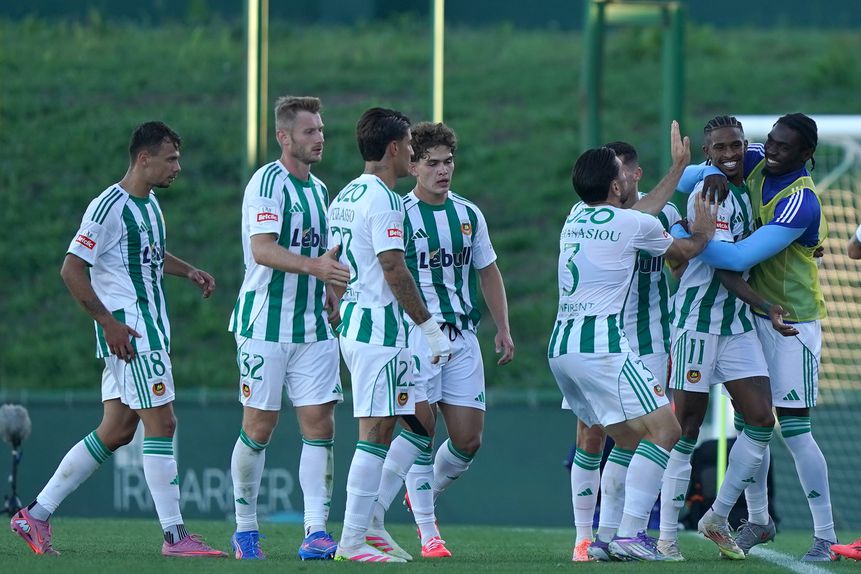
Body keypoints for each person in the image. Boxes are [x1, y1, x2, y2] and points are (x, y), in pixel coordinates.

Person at [10, 121, 225, 558]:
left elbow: (145, 253)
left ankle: (36, 514)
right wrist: (108, 322)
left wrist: (188, 271)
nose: (178, 167)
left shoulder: (150, 206)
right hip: (131, 333)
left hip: (144, 330)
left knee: (117, 430)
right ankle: (174, 537)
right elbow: (72, 268)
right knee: (163, 424)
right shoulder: (108, 205)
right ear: (143, 159)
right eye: (171, 159)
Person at [548, 141, 717, 561]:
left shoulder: (575, 215)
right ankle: (631, 534)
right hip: (602, 346)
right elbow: (683, 252)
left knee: (626, 438)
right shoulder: (632, 224)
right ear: (615, 182)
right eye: (620, 172)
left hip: (562, 346)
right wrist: (703, 232)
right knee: (667, 431)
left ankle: (604, 539)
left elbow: (633, 217)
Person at [679, 114, 836, 561]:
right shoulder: (753, 162)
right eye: (769, 141)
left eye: (784, 147)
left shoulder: (801, 201)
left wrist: (681, 236)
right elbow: (687, 176)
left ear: (805, 155)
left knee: (795, 430)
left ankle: (824, 536)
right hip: (750, 314)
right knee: (753, 423)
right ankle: (758, 520)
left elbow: (741, 254)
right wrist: (712, 175)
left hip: (791, 321)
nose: (771, 151)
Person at [367, 121, 515, 560]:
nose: (442, 170)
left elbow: (487, 270)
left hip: (463, 337)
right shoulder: (399, 213)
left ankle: (419, 494)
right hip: (417, 335)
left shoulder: (469, 214)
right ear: (412, 166)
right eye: (431, 163)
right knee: (421, 428)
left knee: (468, 440)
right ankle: (422, 532)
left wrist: (502, 327)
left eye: (447, 162)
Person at [227, 96, 351, 560]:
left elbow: (325, 261)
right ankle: (244, 529)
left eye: (320, 129)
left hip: (313, 328)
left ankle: (316, 531)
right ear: (284, 137)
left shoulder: (320, 191)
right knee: (259, 427)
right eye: (309, 131)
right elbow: (263, 249)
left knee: (320, 424)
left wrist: (331, 293)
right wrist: (317, 269)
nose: (319, 138)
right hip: (264, 324)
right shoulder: (267, 182)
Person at [327, 107, 451, 563]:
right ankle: (353, 540)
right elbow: (393, 267)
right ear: (396, 148)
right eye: (412, 148)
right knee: (376, 431)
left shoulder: (345, 195)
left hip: (361, 323)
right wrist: (428, 326)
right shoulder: (383, 199)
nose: (416, 154)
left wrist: (334, 297)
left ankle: (371, 526)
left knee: (420, 421)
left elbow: (333, 256)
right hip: (379, 329)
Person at [660, 116, 778, 561]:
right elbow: (725, 268)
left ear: (745, 146)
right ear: (707, 152)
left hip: (737, 327)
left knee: (761, 421)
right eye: (719, 149)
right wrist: (767, 305)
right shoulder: (709, 192)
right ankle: (667, 538)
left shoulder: (744, 185)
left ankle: (720, 515)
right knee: (685, 430)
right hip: (696, 324)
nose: (729, 155)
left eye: (735, 146)